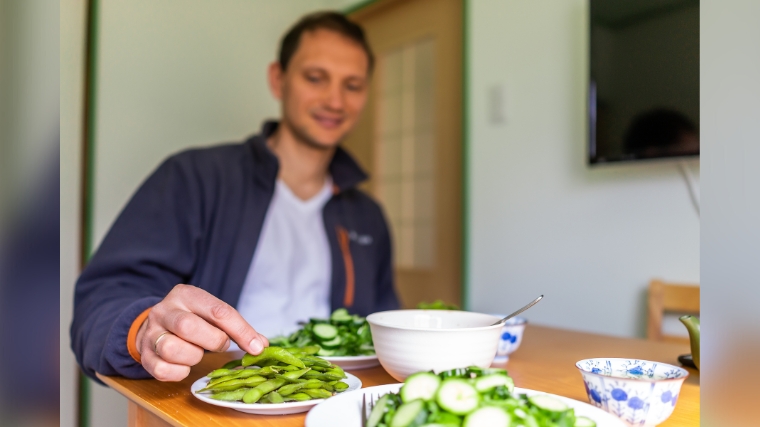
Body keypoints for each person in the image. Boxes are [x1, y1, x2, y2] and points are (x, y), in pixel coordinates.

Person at [70, 11, 399, 383]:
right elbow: (102, 298)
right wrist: (144, 330)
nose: (335, 100)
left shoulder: (368, 216)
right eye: (315, 78)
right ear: (279, 79)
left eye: (353, 85)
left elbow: (386, 324)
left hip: (335, 401)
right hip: (219, 402)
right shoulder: (194, 177)